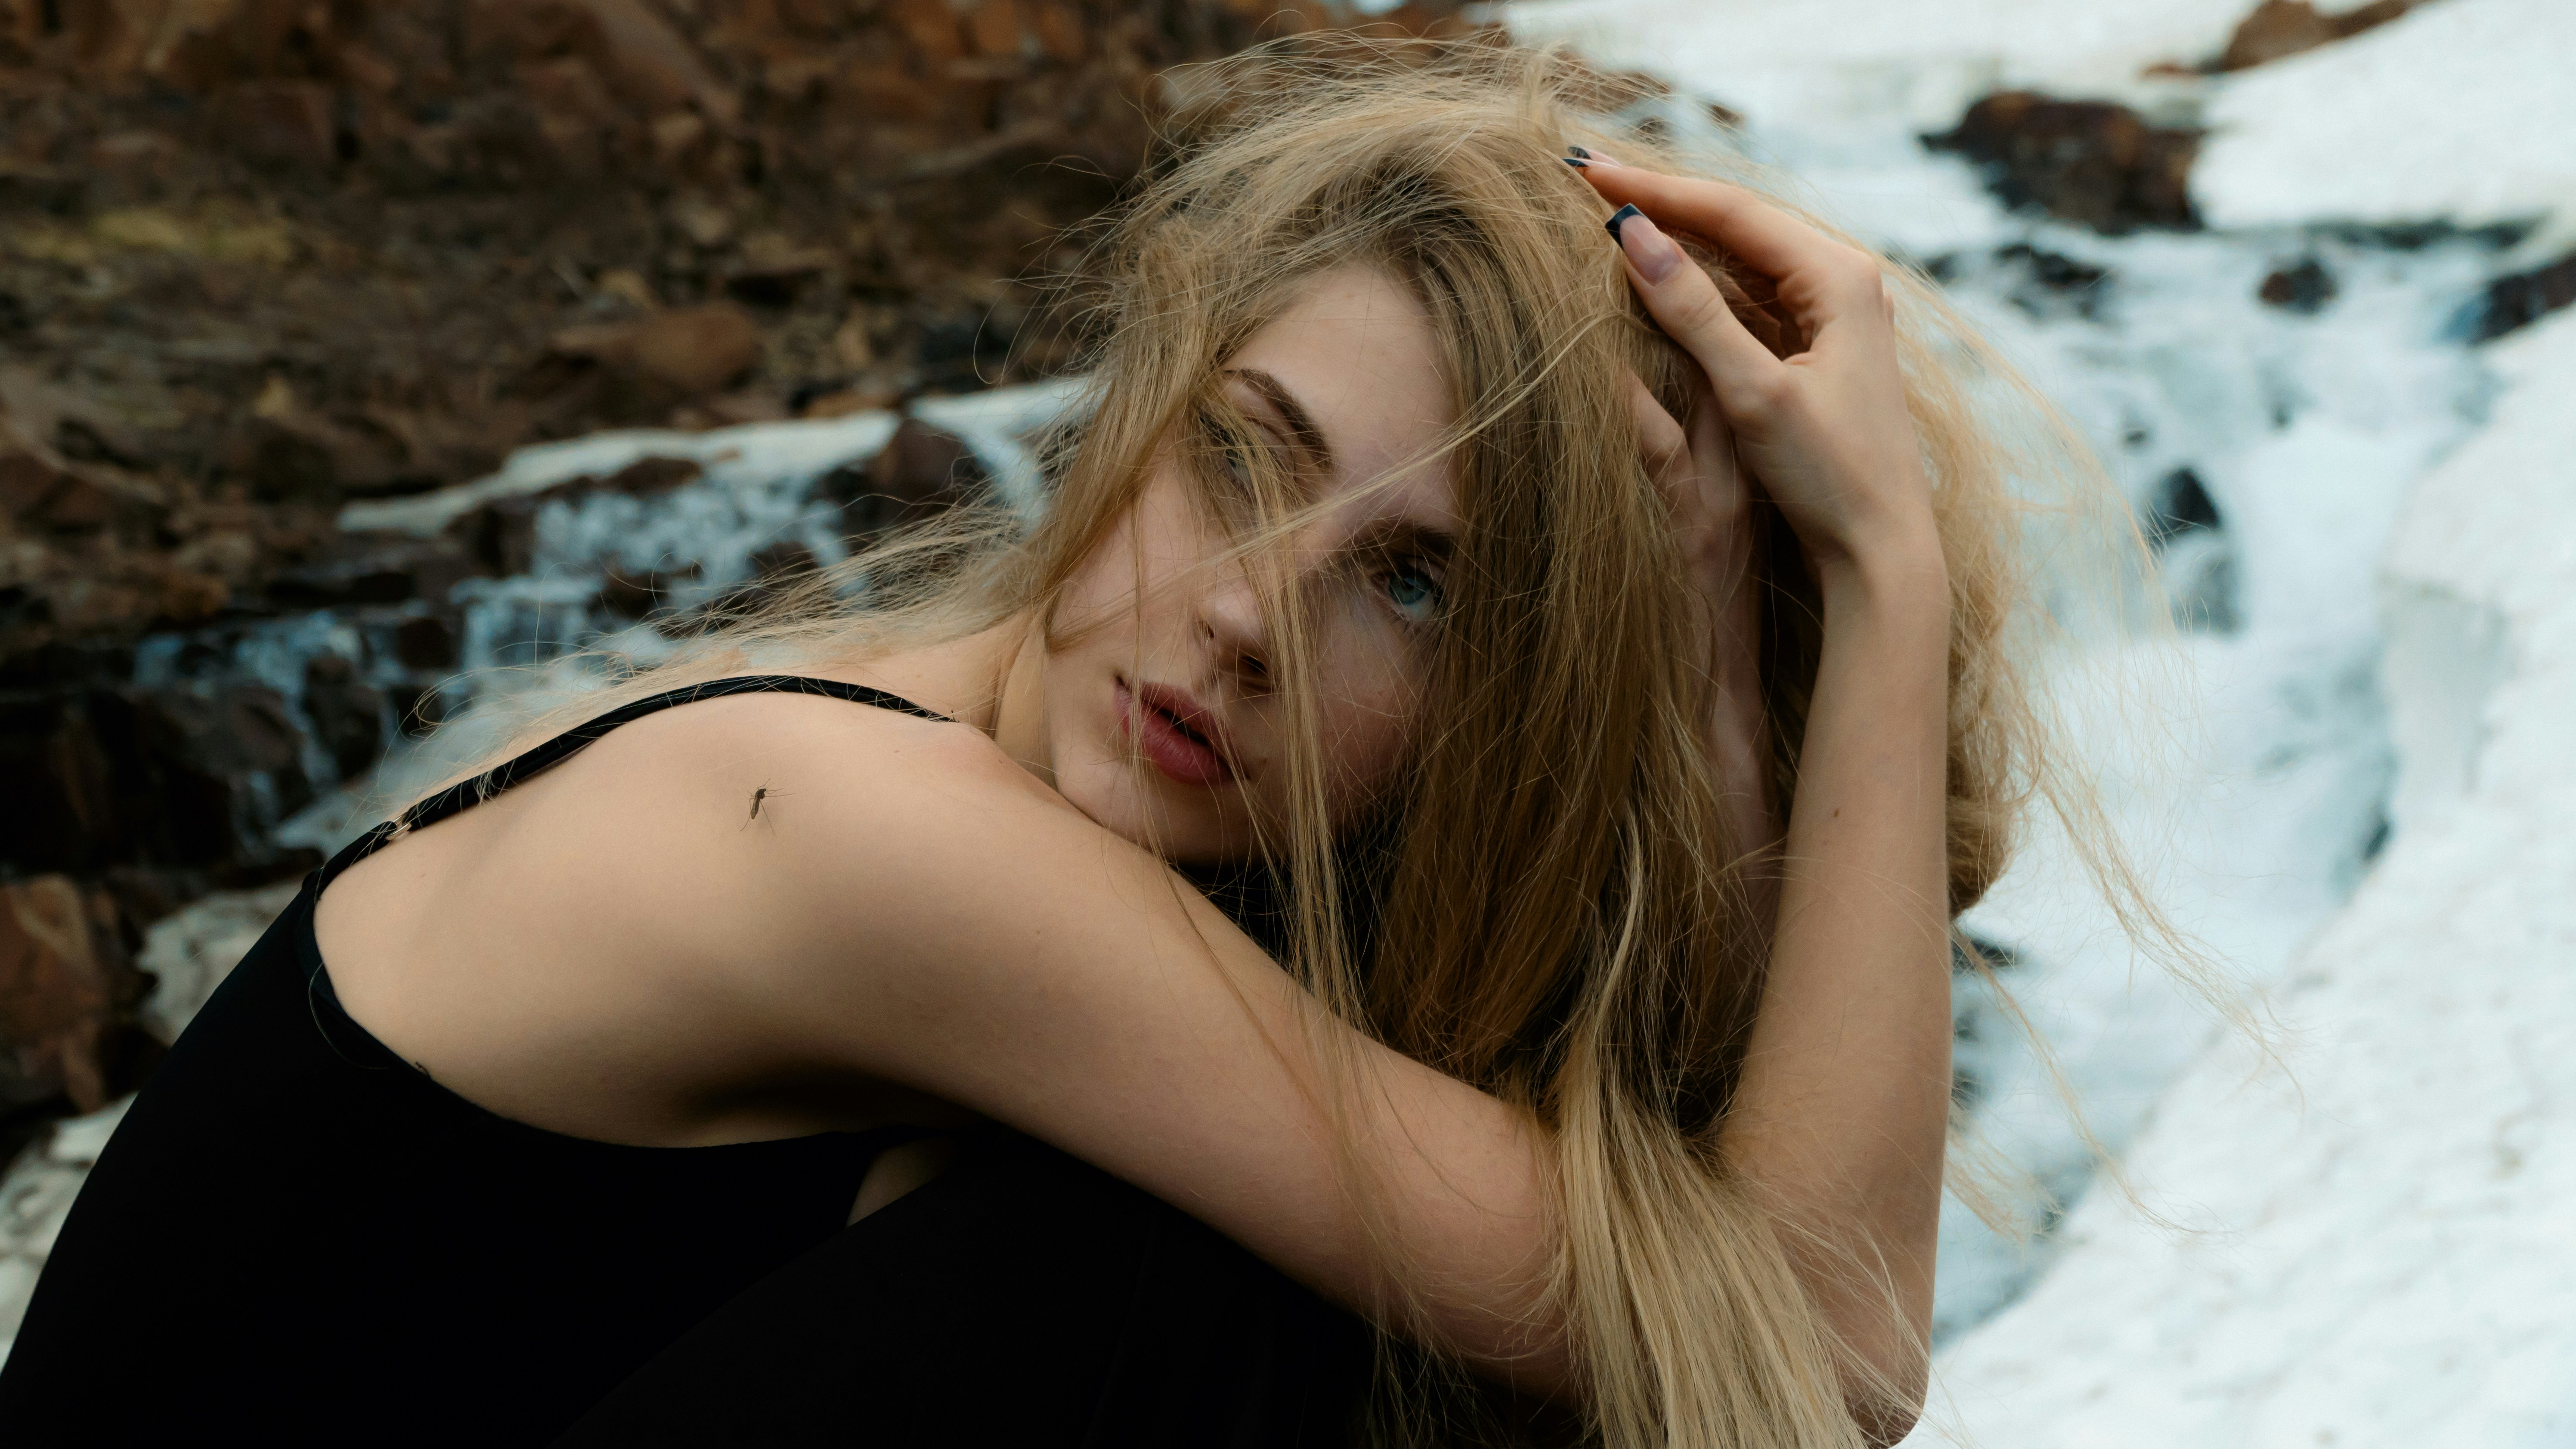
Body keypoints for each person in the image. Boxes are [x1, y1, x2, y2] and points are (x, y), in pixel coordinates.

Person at [0, 41, 2134, 1449]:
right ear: (1142, 390)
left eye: (1413, 583)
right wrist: (1876, 587)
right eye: (1241, 455)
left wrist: (1717, 689)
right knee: (1262, 1304)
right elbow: (1811, 1362)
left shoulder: (1004, 769)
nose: (1244, 609)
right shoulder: (854, 831)